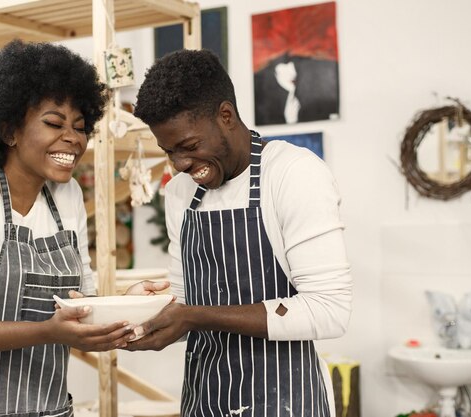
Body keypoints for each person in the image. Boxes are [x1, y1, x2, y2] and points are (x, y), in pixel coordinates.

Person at [0, 40, 166, 417]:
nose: (73, 139)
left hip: (45, 407)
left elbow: (81, 303)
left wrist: (128, 302)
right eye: (54, 123)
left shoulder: (67, 194)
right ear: (10, 130)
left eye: (79, 127)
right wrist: (47, 332)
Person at [126, 49, 353, 417]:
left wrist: (195, 317)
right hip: (205, 399)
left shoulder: (293, 174)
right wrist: (144, 310)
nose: (180, 165)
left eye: (189, 147)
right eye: (169, 152)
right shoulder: (182, 193)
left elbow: (329, 311)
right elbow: (186, 301)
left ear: (226, 116)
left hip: (285, 400)